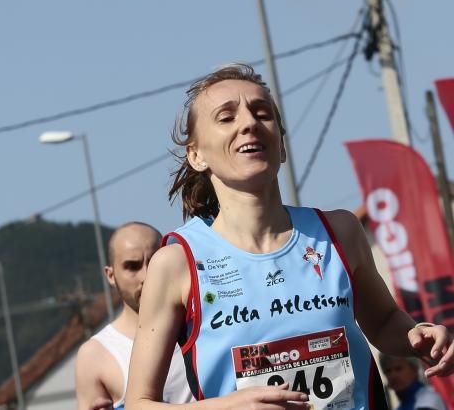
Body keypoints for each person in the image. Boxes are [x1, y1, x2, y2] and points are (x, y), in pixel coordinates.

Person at [117, 63, 454, 410]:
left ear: (281, 146)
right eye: (226, 117)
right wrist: (226, 408)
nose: (249, 123)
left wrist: (419, 336)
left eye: (262, 114)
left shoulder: (339, 232)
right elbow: (139, 403)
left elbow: (383, 323)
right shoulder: (177, 263)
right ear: (196, 154)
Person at [75, 222, 195, 410]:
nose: (147, 275)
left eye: (155, 261)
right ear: (111, 275)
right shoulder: (95, 354)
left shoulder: (203, 325)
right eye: (132, 266)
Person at [382, 355, 448, 410]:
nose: (393, 375)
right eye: (388, 371)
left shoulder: (428, 401)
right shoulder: (400, 406)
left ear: (414, 369)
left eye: (398, 369)